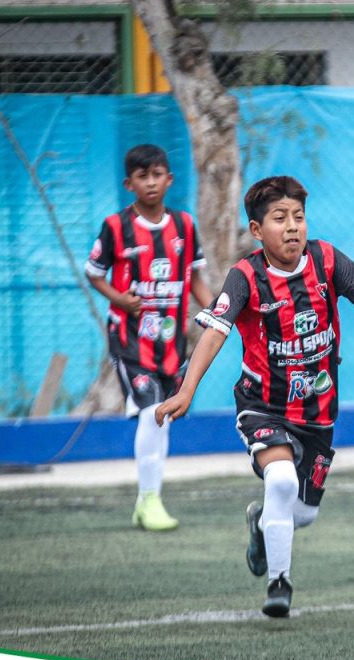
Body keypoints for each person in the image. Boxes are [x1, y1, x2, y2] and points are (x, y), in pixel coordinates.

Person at [154, 175, 354, 617]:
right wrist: (186, 391)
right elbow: (215, 332)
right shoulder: (245, 276)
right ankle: (278, 584)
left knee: (302, 514)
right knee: (281, 481)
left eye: (298, 217)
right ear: (256, 229)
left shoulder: (325, 259)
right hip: (262, 407)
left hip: (318, 412)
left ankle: (261, 523)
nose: (292, 227)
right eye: (280, 218)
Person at [85, 143, 214, 531]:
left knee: (164, 417)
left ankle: (148, 500)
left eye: (157, 175)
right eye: (143, 176)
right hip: (130, 341)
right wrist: (119, 298)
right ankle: (149, 498)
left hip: (172, 345)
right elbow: (94, 273)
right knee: (150, 411)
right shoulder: (115, 227)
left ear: (169, 179)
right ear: (129, 184)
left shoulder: (185, 226)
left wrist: (218, 314)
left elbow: (195, 279)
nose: (151, 182)